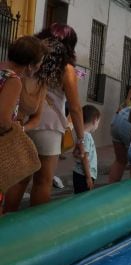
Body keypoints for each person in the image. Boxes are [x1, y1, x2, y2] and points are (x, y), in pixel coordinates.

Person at [18, 23, 86, 207]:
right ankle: (36, 228)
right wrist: (81, 139)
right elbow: (75, 108)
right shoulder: (66, 69)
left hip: (23, 122)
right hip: (49, 129)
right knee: (43, 181)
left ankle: (7, 219)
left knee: (20, 178)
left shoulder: (31, 60)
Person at [0, 36, 47, 213]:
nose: (40, 67)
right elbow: (3, 120)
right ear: (29, 65)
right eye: (39, 63)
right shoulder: (13, 80)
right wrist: (17, 128)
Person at [73, 105, 100, 193]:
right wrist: (88, 177)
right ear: (95, 120)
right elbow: (85, 157)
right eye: (98, 122)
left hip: (77, 173)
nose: (98, 125)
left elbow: (75, 153)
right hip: (84, 175)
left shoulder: (80, 135)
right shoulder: (87, 136)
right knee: (83, 199)